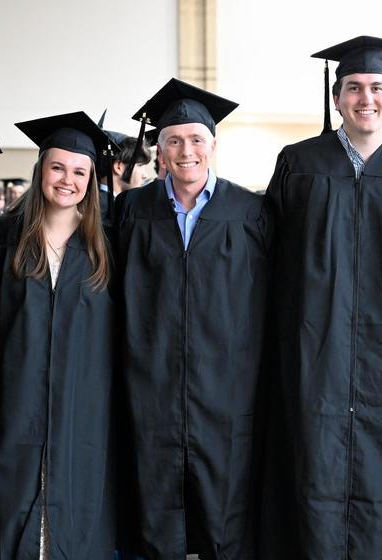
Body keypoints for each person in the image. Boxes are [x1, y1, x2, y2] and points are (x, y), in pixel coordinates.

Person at [260, 35, 382, 559]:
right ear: (337, 98)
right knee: (314, 476)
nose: (367, 98)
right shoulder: (299, 163)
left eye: (377, 87)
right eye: (354, 87)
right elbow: (267, 254)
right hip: (316, 353)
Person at [112, 78, 270, 560]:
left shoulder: (249, 211)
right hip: (149, 387)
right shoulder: (131, 209)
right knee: (154, 516)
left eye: (196, 139)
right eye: (174, 140)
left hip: (226, 391)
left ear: (213, 145)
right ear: (159, 150)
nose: (186, 150)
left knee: (225, 521)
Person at [0, 112, 117, 559]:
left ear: (91, 180)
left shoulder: (109, 247)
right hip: (13, 409)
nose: (67, 180)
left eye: (79, 171)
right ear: (40, 171)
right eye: (57, 167)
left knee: (78, 519)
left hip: (85, 412)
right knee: (10, 511)